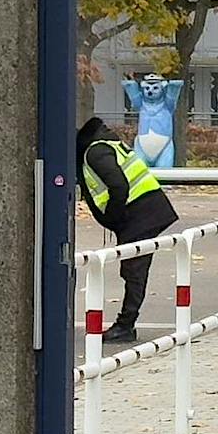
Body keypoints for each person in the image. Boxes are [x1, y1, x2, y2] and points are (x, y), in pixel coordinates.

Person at [78, 117, 179, 343]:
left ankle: (126, 325)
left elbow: (118, 185)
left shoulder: (94, 152)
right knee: (133, 270)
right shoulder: (106, 144)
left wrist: (115, 217)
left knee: (134, 271)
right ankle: (126, 323)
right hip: (146, 210)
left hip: (140, 214)